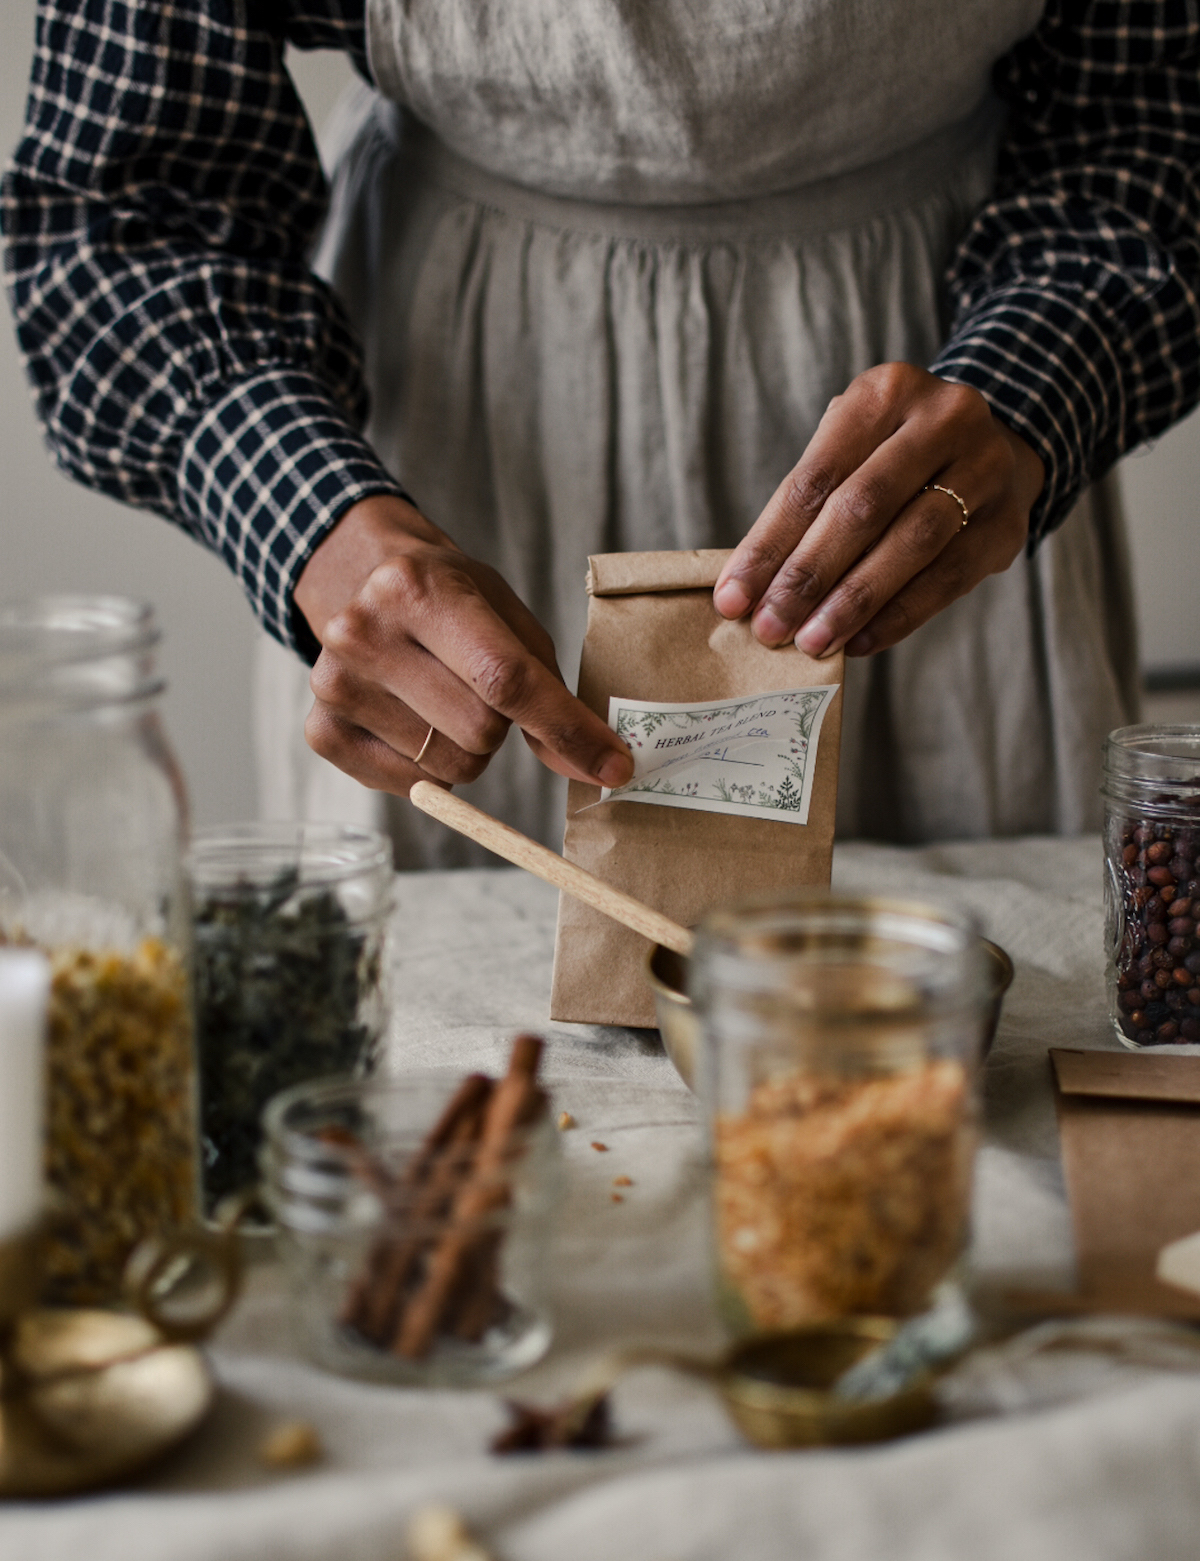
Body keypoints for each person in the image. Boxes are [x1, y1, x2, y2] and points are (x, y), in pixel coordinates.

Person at [5, 2, 1198, 865]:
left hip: (933, 419)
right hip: (451, 436)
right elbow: (123, 213)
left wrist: (1038, 380)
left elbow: (1151, 115)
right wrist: (319, 526)